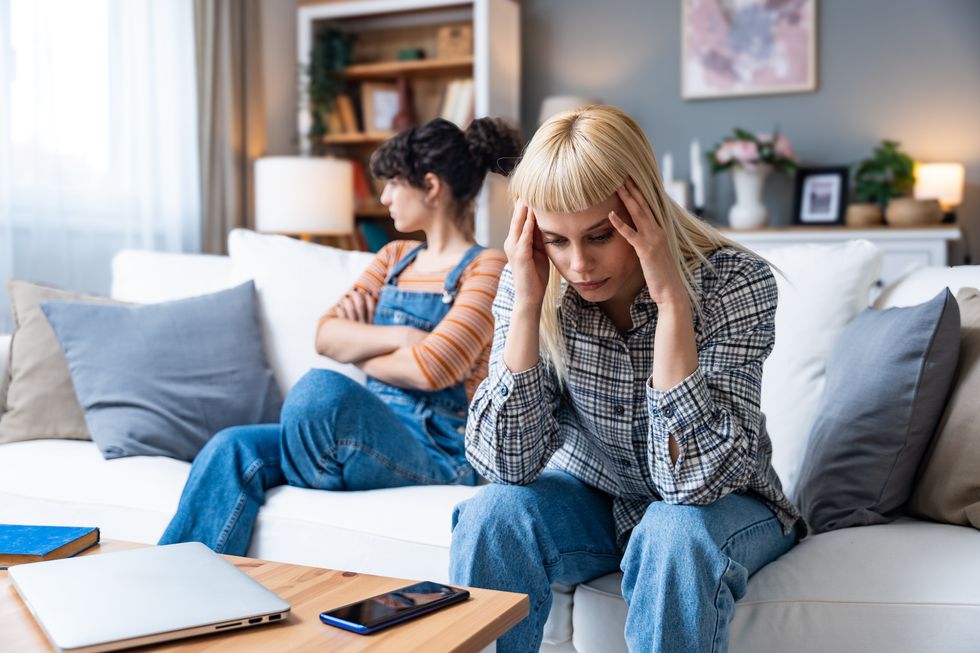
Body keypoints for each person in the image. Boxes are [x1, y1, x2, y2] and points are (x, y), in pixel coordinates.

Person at [448, 105, 804, 653]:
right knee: (491, 513)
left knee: (673, 531)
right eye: (557, 241)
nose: (579, 265)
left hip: (727, 505)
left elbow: (692, 487)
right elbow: (504, 465)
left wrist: (671, 304)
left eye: (598, 236)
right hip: (596, 497)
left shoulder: (735, 280)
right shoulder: (532, 282)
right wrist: (525, 307)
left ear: (644, 208)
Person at [160, 117, 522, 556]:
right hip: (363, 438)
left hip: (436, 452)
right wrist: (404, 337)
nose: (384, 196)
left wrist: (363, 348)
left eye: (393, 184)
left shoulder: (488, 266)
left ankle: (315, 466)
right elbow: (325, 335)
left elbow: (433, 368)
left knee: (319, 393)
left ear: (430, 186)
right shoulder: (393, 257)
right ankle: (177, 583)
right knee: (231, 445)